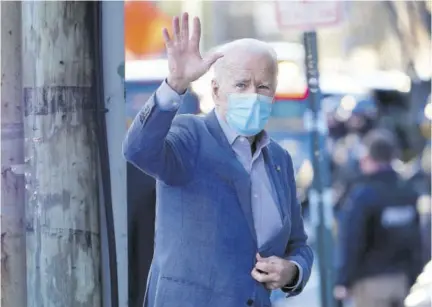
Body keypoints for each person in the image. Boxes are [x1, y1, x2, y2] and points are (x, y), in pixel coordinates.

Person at [122, 13, 313, 307]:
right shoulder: (191, 136)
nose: (253, 95)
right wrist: (174, 85)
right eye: (241, 84)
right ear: (216, 91)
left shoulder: (279, 160)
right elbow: (138, 150)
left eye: (263, 87)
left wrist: (292, 272)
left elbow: (298, 245)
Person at [334, 129, 423, 307]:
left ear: (368, 156)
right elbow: (417, 240)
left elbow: (353, 240)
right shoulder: (408, 191)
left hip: (371, 283)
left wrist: (344, 280)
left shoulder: (363, 195)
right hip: (404, 281)